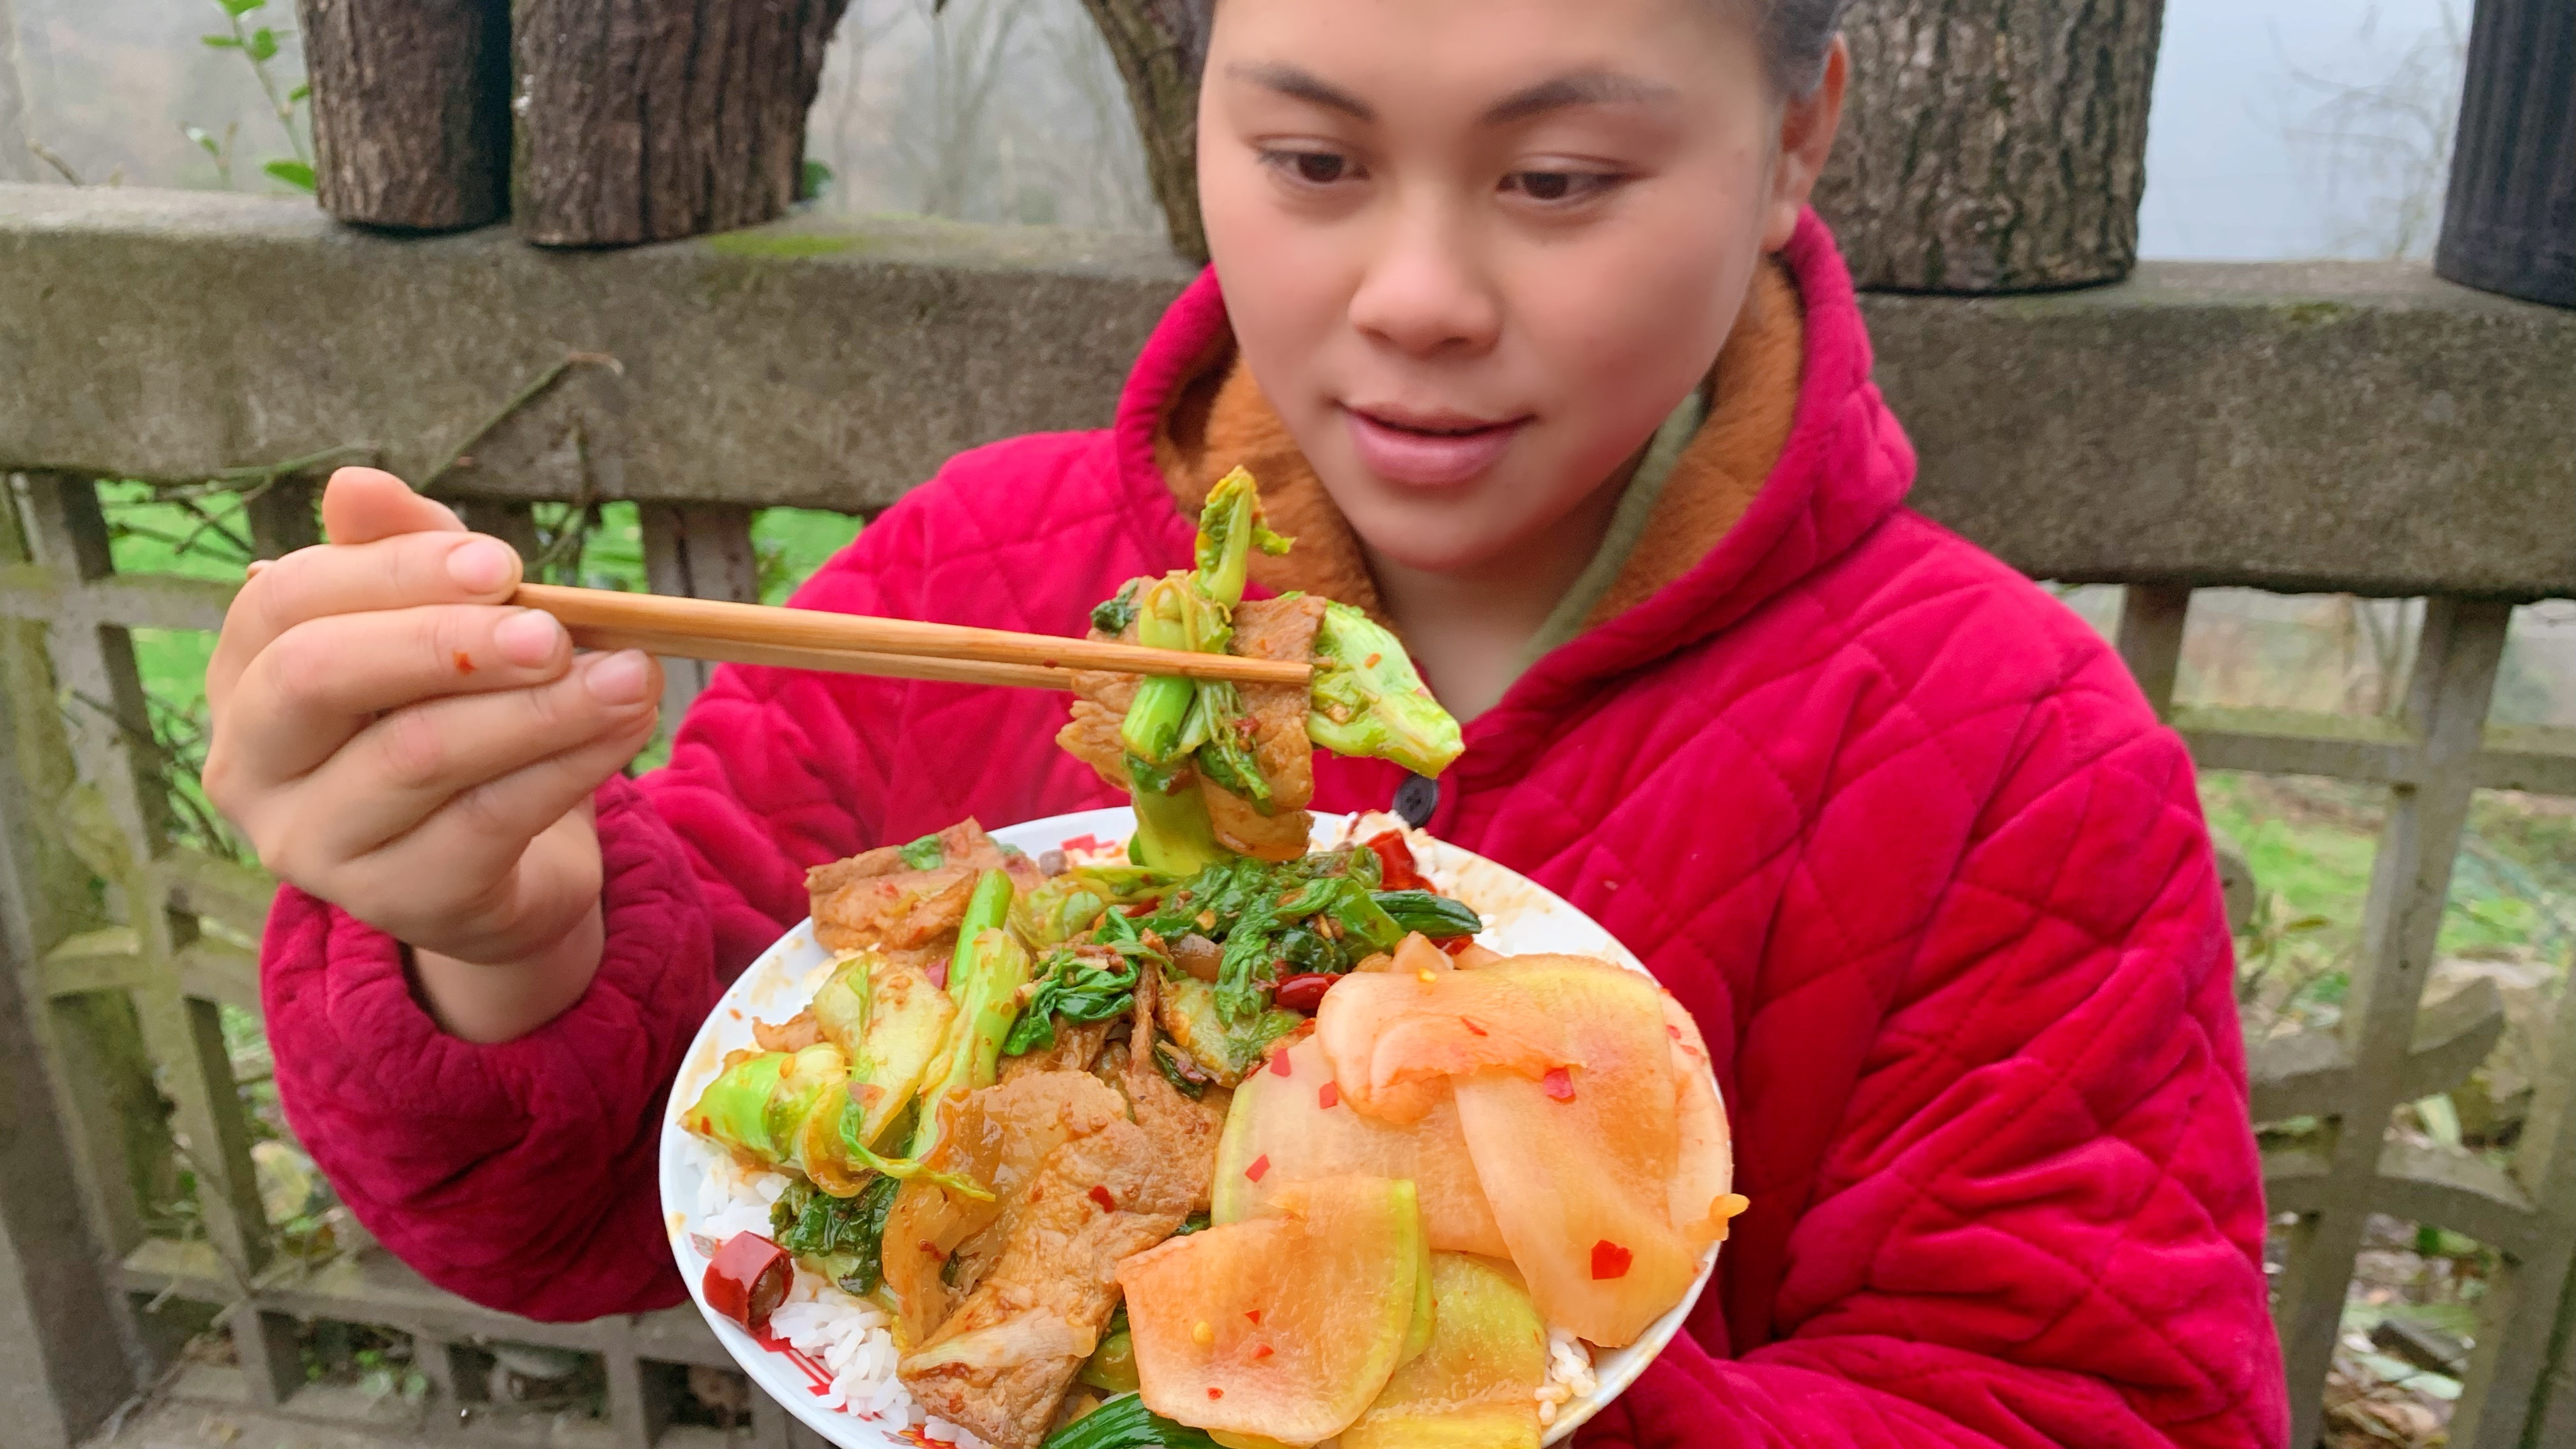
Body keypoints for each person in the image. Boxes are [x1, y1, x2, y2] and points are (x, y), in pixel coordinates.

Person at [205, 0, 2288, 1444]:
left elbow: (2090, 1396)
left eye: (1558, 176)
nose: (1413, 295)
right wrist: (501, 937)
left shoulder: (2019, 746)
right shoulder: (981, 570)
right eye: (1309, 157)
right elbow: (626, 1185)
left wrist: (1392, 1367)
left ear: (1795, 140)